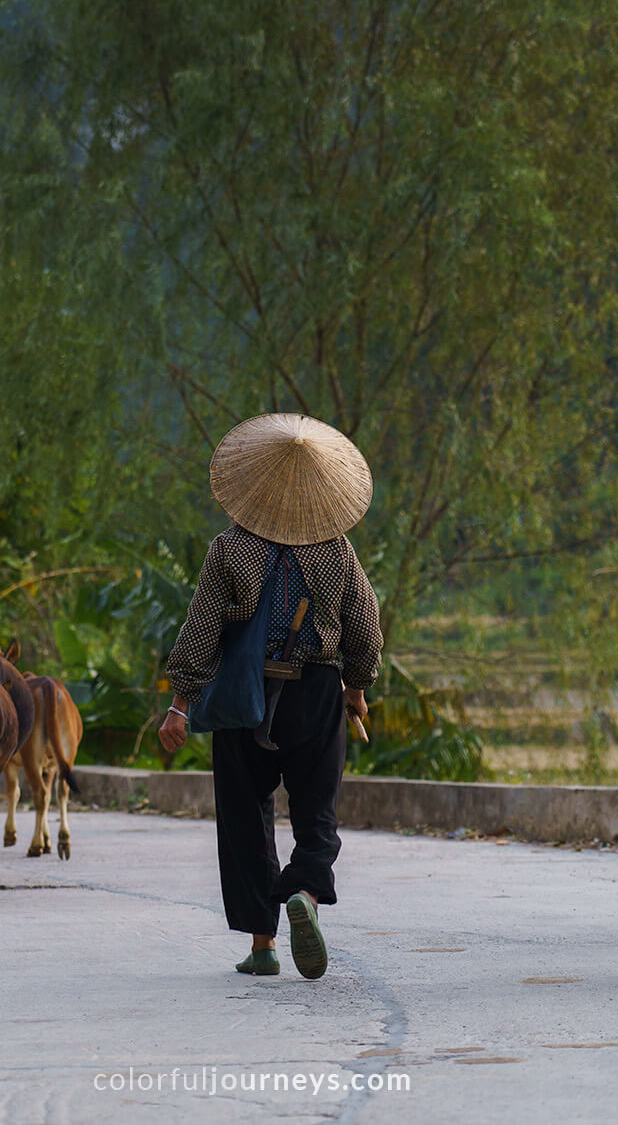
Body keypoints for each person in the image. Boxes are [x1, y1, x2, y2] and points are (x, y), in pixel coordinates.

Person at [159, 413, 382, 980]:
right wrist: (356, 687)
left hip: (242, 698)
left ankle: (262, 947)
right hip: (316, 693)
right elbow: (365, 625)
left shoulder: (230, 549)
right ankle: (304, 889)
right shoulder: (336, 552)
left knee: (244, 818)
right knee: (317, 814)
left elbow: (202, 628)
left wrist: (180, 702)